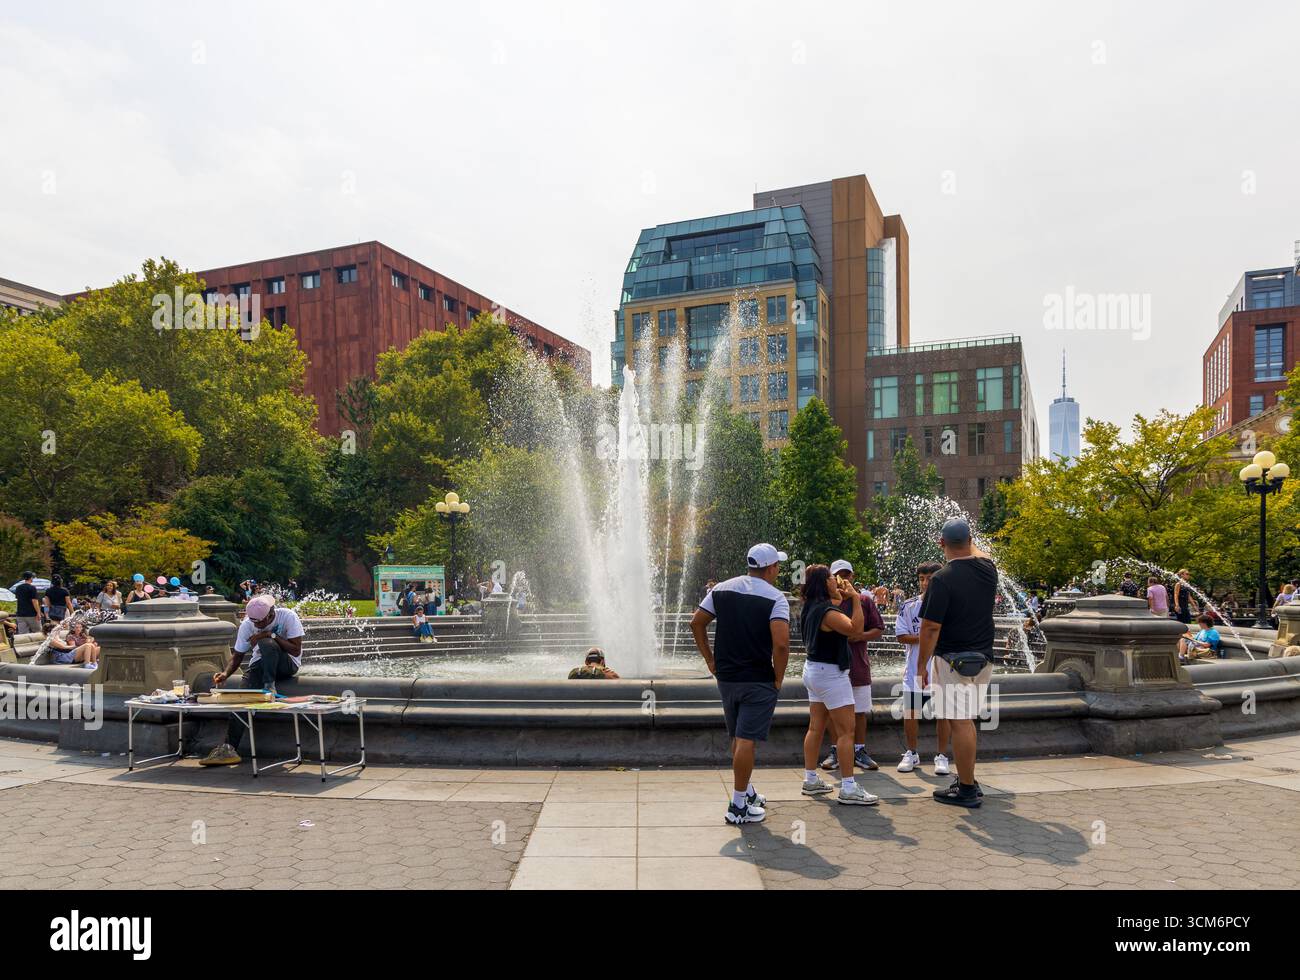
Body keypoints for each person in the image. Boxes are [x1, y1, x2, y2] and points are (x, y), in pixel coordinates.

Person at [690, 543, 790, 825]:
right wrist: (779, 678)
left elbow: (696, 622)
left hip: (727, 677)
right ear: (770, 568)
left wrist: (710, 660)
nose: (779, 571)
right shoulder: (776, 598)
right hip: (758, 679)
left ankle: (746, 792)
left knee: (737, 737)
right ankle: (737, 807)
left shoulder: (721, 588)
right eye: (778, 566)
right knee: (746, 740)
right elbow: (781, 645)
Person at [917, 518, 998, 808]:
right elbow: (975, 550)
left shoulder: (942, 578)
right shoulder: (989, 569)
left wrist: (920, 667)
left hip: (952, 661)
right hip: (983, 659)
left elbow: (929, 628)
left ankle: (966, 790)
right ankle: (968, 779)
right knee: (968, 720)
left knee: (960, 722)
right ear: (971, 539)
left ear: (941, 543)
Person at [797, 565, 878, 806]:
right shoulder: (828, 612)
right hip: (831, 674)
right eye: (833, 578)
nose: (837, 581)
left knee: (815, 727)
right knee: (846, 732)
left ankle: (810, 779)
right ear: (824, 583)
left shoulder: (810, 606)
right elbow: (855, 629)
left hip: (813, 670)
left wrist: (840, 597)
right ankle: (849, 787)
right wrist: (854, 599)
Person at [202, 594, 306, 767]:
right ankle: (228, 748)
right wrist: (225, 674)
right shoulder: (247, 625)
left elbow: (295, 650)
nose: (255, 625)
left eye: (260, 622)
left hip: (286, 664)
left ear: (271, 614)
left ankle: (269, 686)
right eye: (254, 622)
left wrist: (269, 634)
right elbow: (237, 656)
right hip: (260, 665)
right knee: (243, 697)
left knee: (265, 643)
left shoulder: (288, 616)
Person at [819, 559, 883, 773]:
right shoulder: (827, 601)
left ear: (852, 576)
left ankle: (859, 749)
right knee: (831, 710)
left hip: (857, 663)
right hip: (833, 664)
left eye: (847, 575)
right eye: (839, 575)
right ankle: (836, 749)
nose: (843, 579)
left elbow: (878, 628)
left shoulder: (864, 600)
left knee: (860, 710)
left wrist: (860, 636)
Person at [896, 561, 951, 775]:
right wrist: (927, 636)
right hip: (915, 670)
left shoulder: (950, 604)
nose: (925, 582)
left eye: (930, 578)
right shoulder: (909, 606)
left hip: (941, 667)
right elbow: (901, 636)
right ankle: (911, 752)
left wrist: (930, 636)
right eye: (922, 578)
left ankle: (942, 755)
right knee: (911, 712)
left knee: (943, 713)